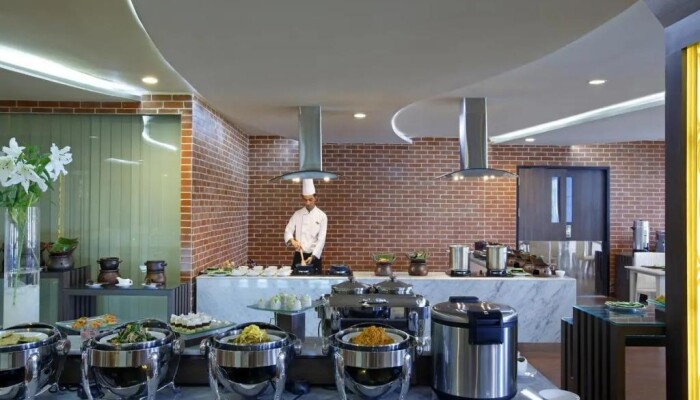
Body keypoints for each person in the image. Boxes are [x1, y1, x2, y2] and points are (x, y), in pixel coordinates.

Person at [284, 179, 327, 273]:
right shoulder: (297, 214)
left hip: (314, 255)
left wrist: (313, 256)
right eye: (305, 200)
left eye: (310, 199)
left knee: (315, 280)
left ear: (315, 198)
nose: (307, 203)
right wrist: (292, 241)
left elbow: (321, 239)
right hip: (299, 255)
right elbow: (288, 230)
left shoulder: (322, 216)